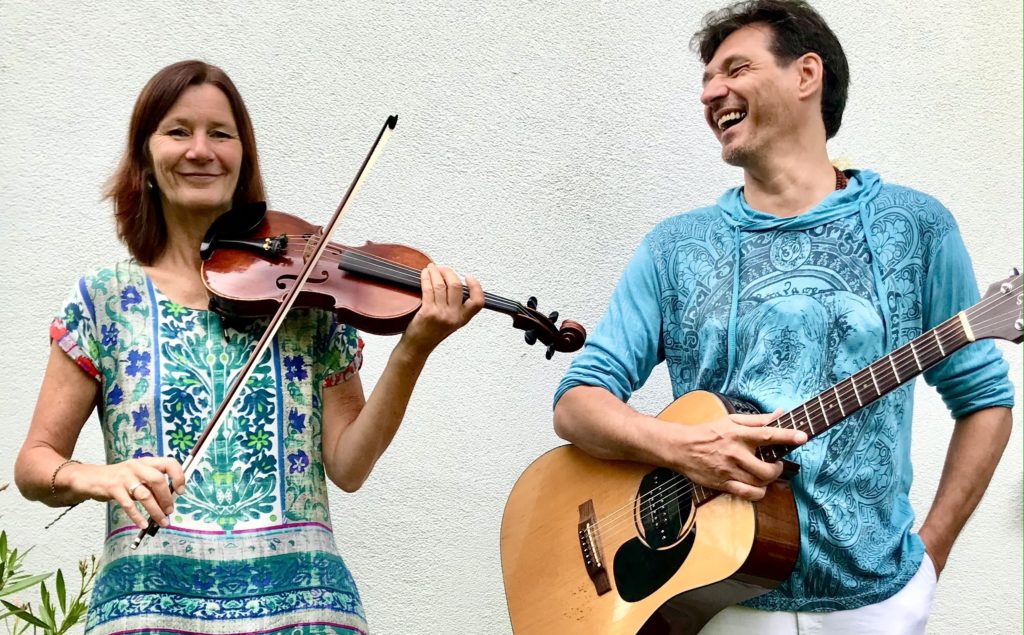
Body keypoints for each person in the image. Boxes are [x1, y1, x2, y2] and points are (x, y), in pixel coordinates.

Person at [551, 1, 1014, 633]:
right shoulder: (674, 246)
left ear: (806, 75)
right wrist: (686, 446)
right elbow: (578, 402)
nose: (713, 93)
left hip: (874, 603)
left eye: (734, 70)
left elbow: (983, 397)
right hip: (713, 598)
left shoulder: (916, 227)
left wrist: (930, 558)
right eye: (706, 83)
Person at [14, 60, 483, 635]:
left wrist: (413, 351)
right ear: (146, 158)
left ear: (243, 157)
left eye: (221, 133)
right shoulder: (105, 299)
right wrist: (102, 477)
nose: (200, 150)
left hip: (305, 612)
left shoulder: (308, 298)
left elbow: (350, 466)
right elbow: (35, 465)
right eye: (178, 131)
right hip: (147, 609)